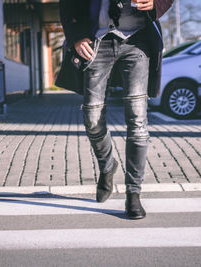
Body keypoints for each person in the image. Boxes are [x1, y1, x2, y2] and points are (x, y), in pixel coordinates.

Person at [58, 0, 174, 219]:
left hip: (138, 41)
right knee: (91, 117)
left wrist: (156, 3)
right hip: (97, 40)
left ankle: (133, 193)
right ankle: (108, 165)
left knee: (137, 119)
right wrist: (75, 36)